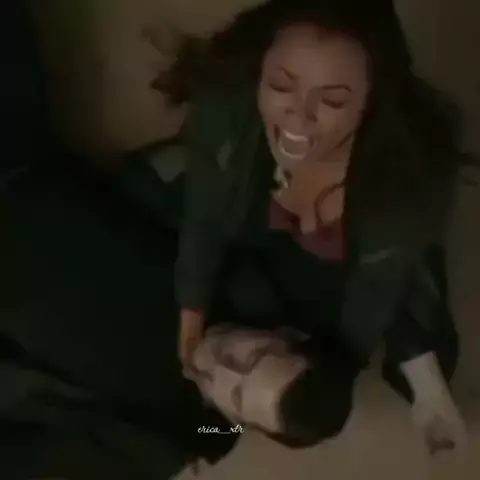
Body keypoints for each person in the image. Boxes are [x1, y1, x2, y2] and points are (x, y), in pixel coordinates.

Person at [152, 0, 469, 454]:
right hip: (280, 270)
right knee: (409, 324)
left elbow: (216, 432)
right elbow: (203, 215)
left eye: (333, 99)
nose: (216, 366)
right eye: (281, 84)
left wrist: (214, 425)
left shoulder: (212, 410)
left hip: (291, 279)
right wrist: (192, 315)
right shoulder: (228, 114)